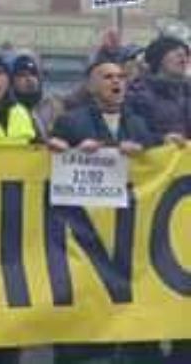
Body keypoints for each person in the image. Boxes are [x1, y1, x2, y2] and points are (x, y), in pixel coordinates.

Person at [46, 57, 167, 364]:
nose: (117, 82)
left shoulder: (138, 123)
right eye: (108, 76)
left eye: (121, 77)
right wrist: (69, 150)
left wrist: (158, 149)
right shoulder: (71, 121)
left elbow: (157, 165)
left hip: (130, 236)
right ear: (91, 85)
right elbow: (50, 160)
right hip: (86, 236)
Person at [126, 36, 190, 141]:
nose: (183, 58)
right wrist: (161, 139)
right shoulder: (136, 94)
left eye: (186, 54)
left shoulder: (186, 92)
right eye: (176, 53)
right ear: (158, 58)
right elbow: (133, 133)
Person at [10, 54, 61, 138]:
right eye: (22, 75)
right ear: (12, 81)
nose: (29, 79)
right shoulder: (8, 108)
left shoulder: (53, 106)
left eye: (33, 74)